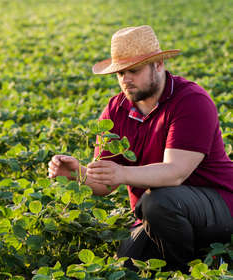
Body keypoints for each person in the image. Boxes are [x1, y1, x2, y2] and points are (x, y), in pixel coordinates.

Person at [47, 25, 233, 272]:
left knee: (158, 202)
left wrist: (122, 173)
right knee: (125, 264)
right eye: (120, 72)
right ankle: (200, 258)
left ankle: (191, 272)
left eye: (133, 70)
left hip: (219, 204)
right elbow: (105, 185)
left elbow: (175, 173)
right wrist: (77, 174)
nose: (126, 79)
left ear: (158, 64)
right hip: (157, 215)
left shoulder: (191, 101)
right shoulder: (116, 110)